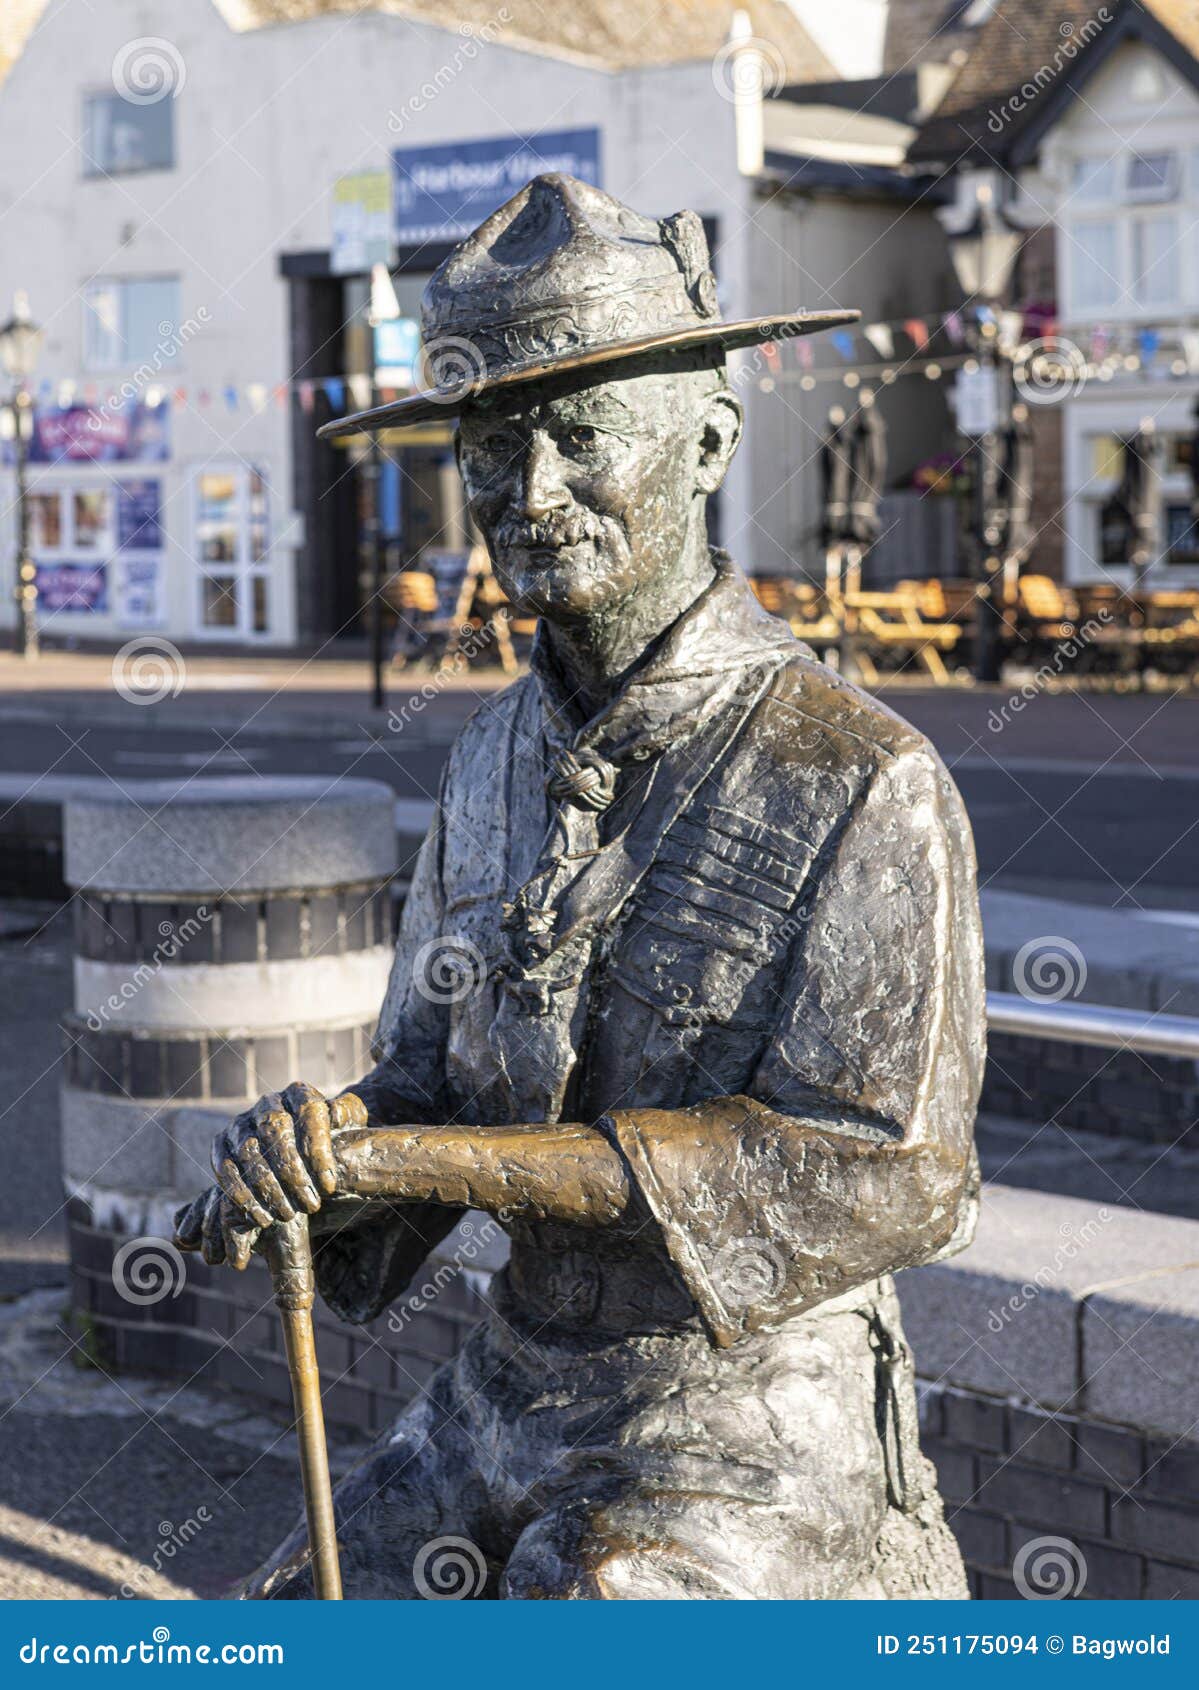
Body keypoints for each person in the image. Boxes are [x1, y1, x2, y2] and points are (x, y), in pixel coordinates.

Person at [176, 174, 983, 1601]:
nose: (529, 491)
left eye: (581, 433)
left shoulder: (863, 778)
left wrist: (410, 1161)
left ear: (711, 439)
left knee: (598, 1605)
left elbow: (884, 1168)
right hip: (498, 1396)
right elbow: (422, 1078)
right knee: (292, 1615)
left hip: (747, 1422)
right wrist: (317, 1149)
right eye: (493, 444)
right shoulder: (485, 767)